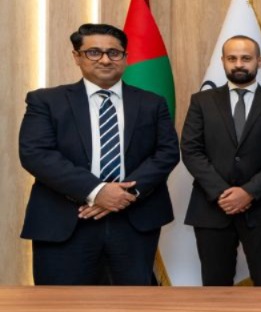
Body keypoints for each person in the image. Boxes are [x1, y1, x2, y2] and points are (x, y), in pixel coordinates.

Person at [19, 22, 179, 285]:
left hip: (133, 222)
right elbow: (36, 153)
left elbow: (167, 153)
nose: (105, 60)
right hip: (65, 220)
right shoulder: (45, 101)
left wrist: (123, 194)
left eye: (114, 53)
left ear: (125, 58)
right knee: (60, 306)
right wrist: (97, 191)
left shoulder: (152, 102)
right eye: (94, 52)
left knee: (132, 305)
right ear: (77, 56)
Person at [181, 35, 261, 287]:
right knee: (215, 287)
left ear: (259, 61)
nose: (239, 64)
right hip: (211, 208)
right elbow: (191, 150)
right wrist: (222, 193)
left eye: (246, 58)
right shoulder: (202, 101)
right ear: (223, 61)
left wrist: (249, 192)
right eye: (232, 58)